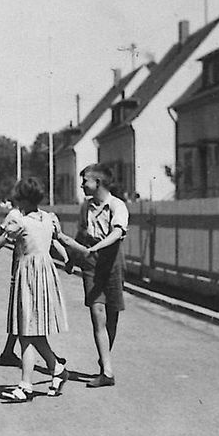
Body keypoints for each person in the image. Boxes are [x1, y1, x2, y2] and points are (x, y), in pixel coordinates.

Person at [0, 177, 85, 402]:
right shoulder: (48, 218)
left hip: (31, 275)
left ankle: (32, 382)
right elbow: (60, 241)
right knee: (29, 330)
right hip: (42, 274)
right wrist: (77, 254)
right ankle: (51, 372)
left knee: (29, 330)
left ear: (24, 199)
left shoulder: (25, 221)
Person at [70, 163, 128, 388]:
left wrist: (98, 247)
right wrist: (72, 258)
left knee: (112, 316)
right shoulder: (86, 206)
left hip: (112, 261)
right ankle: (107, 371)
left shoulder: (117, 206)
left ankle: (104, 358)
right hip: (91, 264)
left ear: (98, 183)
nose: (82, 185)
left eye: (85, 181)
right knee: (98, 313)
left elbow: (117, 232)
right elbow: (81, 233)